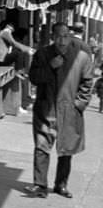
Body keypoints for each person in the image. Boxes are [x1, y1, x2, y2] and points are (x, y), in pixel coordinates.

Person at [26, 22, 94, 198]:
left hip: (69, 109)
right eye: (58, 36)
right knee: (42, 146)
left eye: (65, 36)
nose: (62, 41)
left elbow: (88, 82)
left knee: (66, 148)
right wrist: (50, 67)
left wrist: (79, 104)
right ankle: (40, 184)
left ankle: (61, 184)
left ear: (70, 36)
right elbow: (33, 78)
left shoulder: (81, 57)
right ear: (52, 37)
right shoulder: (42, 55)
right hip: (46, 108)